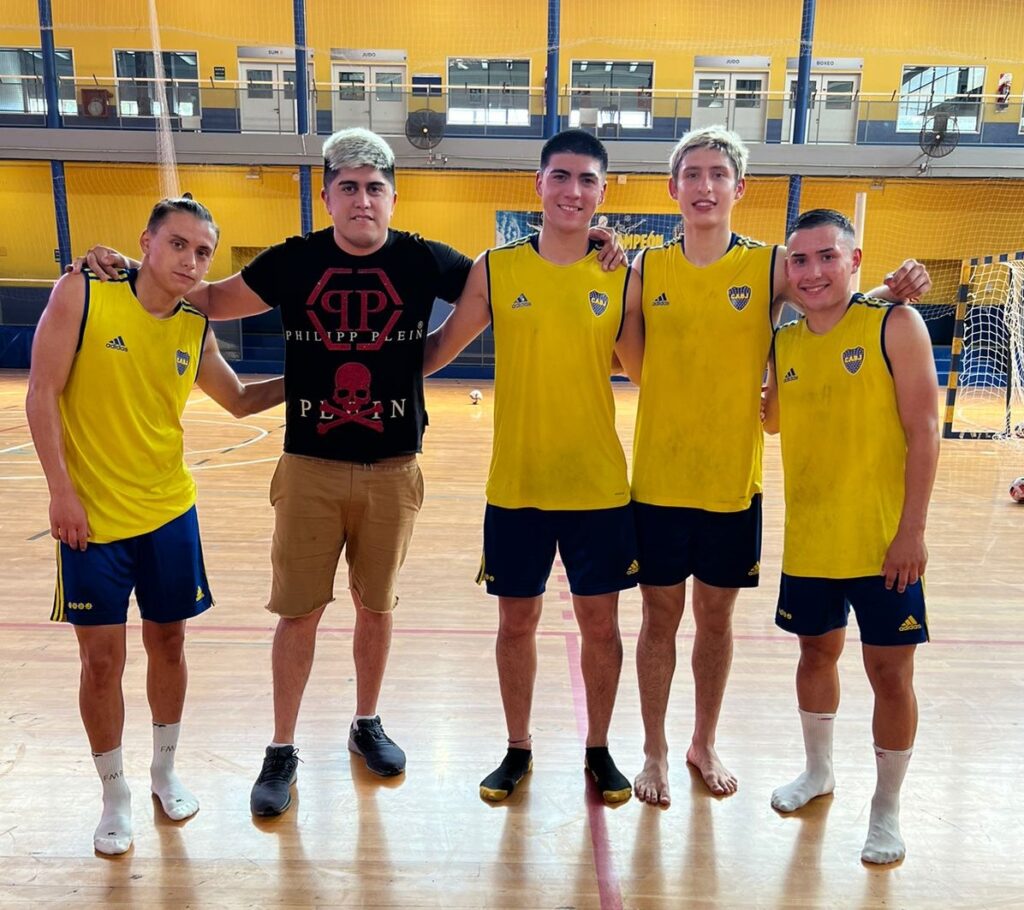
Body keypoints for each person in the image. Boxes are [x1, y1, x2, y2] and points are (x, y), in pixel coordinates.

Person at [74, 127, 627, 818]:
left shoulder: (426, 259)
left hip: (393, 468)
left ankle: (367, 721)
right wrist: (129, 264)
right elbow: (206, 296)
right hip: (310, 466)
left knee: (377, 606)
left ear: (393, 196)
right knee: (298, 613)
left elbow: (521, 273)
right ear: (328, 195)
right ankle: (281, 746)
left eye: (374, 188)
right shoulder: (294, 260)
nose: (362, 199)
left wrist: (591, 238)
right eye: (348, 188)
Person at [628, 126, 932, 805]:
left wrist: (896, 287)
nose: (705, 186)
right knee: (657, 621)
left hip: (733, 485)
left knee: (715, 622)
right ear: (673, 187)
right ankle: (652, 750)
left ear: (739, 187)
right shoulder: (646, 267)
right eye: (692, 174)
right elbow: (625, 348)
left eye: (718, 174)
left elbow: (833, 301)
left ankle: (703, 742)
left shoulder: (771, 264)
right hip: (657, 481)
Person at [26, 196, 284, 855]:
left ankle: (164, 772)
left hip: (169, 513)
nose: (190, 261)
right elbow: (41, 392)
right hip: (92, 520)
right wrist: (61, 493)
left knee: (169, 644)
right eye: (178, 244)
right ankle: (113, 794)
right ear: (145, 241)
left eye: (203, 252)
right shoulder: (84, 292)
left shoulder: (194, 324)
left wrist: (307, 375)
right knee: (100, 662)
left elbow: (238, 400)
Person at [422, 129, 644, 804]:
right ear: (539, 184)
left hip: (598, 488)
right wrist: (355, 361)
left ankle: (599, 748)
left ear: (603, 193)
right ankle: (517, 747)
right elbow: (436, 350)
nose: (573, 191)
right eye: (561, 177)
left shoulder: (623, 276)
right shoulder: (496, 268)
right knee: (515, 625)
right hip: (517, 487)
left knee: (601, 628)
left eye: (587, 180)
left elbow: (649, 372)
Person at [763, 208, 938, 865]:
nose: (812, 272)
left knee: (890, 674)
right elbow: (772, 420)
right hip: (811, 539)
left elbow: (925, 431)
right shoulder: (784, 343)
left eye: (827, 257)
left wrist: (911, 531)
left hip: (883, 542)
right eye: (799, 261)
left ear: (855, 260)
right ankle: (818, 772)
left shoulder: (896, 323)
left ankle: (886, 808)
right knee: (815, 654)